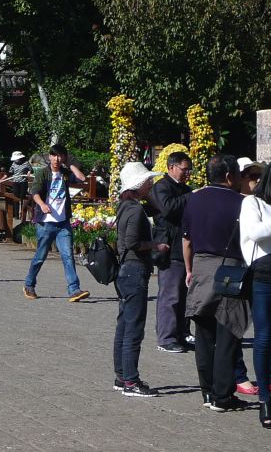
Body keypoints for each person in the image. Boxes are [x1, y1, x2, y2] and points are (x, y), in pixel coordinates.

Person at [183, 154, 248, 412]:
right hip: (232, 268)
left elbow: (186, 240)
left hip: (201, 267)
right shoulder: (243, 203)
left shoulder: (194, 198)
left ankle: (207, 392)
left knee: (204, 333)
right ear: (230, 176)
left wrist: (189, 269)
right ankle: (223, 396)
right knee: (229, 333)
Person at [112, 161, 168, 397]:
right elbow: (133, 242)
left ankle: (121, 376)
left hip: (125, 271)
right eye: (148, 181)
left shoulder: (125, 206)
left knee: (124, 325)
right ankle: (131, 381)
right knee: (133, 328)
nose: (151, 184)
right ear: (138, 184)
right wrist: (155, 245)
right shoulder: (134, 210)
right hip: (134, 271)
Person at [23, 143, 91, 302]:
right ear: (49, 157)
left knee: (68, 256)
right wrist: (42, 205)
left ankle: (74, 290)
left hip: (63, 223)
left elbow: (82, 178)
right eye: (54, 155)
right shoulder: (43, 173)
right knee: (40, 256)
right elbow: (35, 193)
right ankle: (29, 284)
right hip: (46, 223)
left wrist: (70, 165)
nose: (56, 159)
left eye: (60, 156)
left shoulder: (65, 173)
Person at [242, 160, 271, 429]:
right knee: (264, 337)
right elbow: (255, 233)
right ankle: (264, 399)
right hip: (264, 275)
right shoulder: (252, 204)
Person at [150, 150, 194, 353]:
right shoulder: (161, 186)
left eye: (189, 170)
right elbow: (167, 209)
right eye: (185, 170)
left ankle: (182, 333)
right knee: (170, 295)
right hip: (169, 247)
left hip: (185, 247)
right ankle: (166, 337)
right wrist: (191, 197)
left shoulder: (185, 189)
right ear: (171, 167)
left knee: (185, 296)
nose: (187, 174)